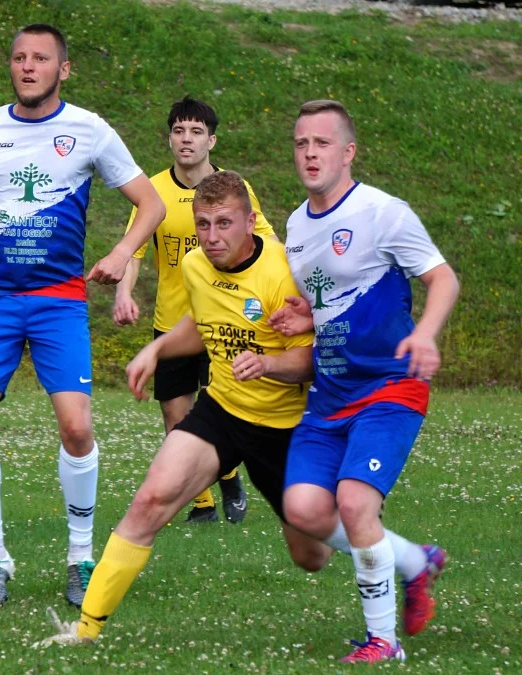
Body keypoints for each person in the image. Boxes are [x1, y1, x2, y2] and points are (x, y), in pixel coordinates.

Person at [0, 24, 166, 608]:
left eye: (41, 58)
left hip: (59, 301)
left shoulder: (89, 129)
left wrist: (122, 252)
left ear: (62, 69)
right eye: (19, 57)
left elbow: (152, 203)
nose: (28, 66)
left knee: (77, 428)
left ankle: (80, 557)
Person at [37, 170, 367, 647]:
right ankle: (85, 630)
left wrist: (269, 363)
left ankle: (397, 555)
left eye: (224, 223)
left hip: (285, 428)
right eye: (203, 224)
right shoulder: (195, 265)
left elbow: (314, 360)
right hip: (222, 410)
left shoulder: (285, 271)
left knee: (311, 556)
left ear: (250, 221)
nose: (211, 237)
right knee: (150, 501)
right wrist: (156, 349)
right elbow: (202, 322)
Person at [271, 100, 458, 663]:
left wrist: (426, 334)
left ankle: (384, 643)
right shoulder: (296, 225)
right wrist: (306, 316)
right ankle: (415, 562)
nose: (310, 153)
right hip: (330, 393)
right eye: (302, 143)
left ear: (347, 152)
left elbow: (443, 279)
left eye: (322, 143)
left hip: (388, 387)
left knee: (354, 504)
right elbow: (331, 298)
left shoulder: (383, 212)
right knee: (303, 509)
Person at [112, 97, 276, 524]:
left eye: (196, 132)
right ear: (169, 138)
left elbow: (268, 244)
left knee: (225, 410)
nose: (187, 139)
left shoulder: (235, 189)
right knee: (176, 416)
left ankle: (229, 475)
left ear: (211, 141)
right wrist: (124, 293)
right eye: (179, 131)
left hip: (225, 321)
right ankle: (202, 506)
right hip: (173, 324)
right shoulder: (152, 192)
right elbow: (134, 252)